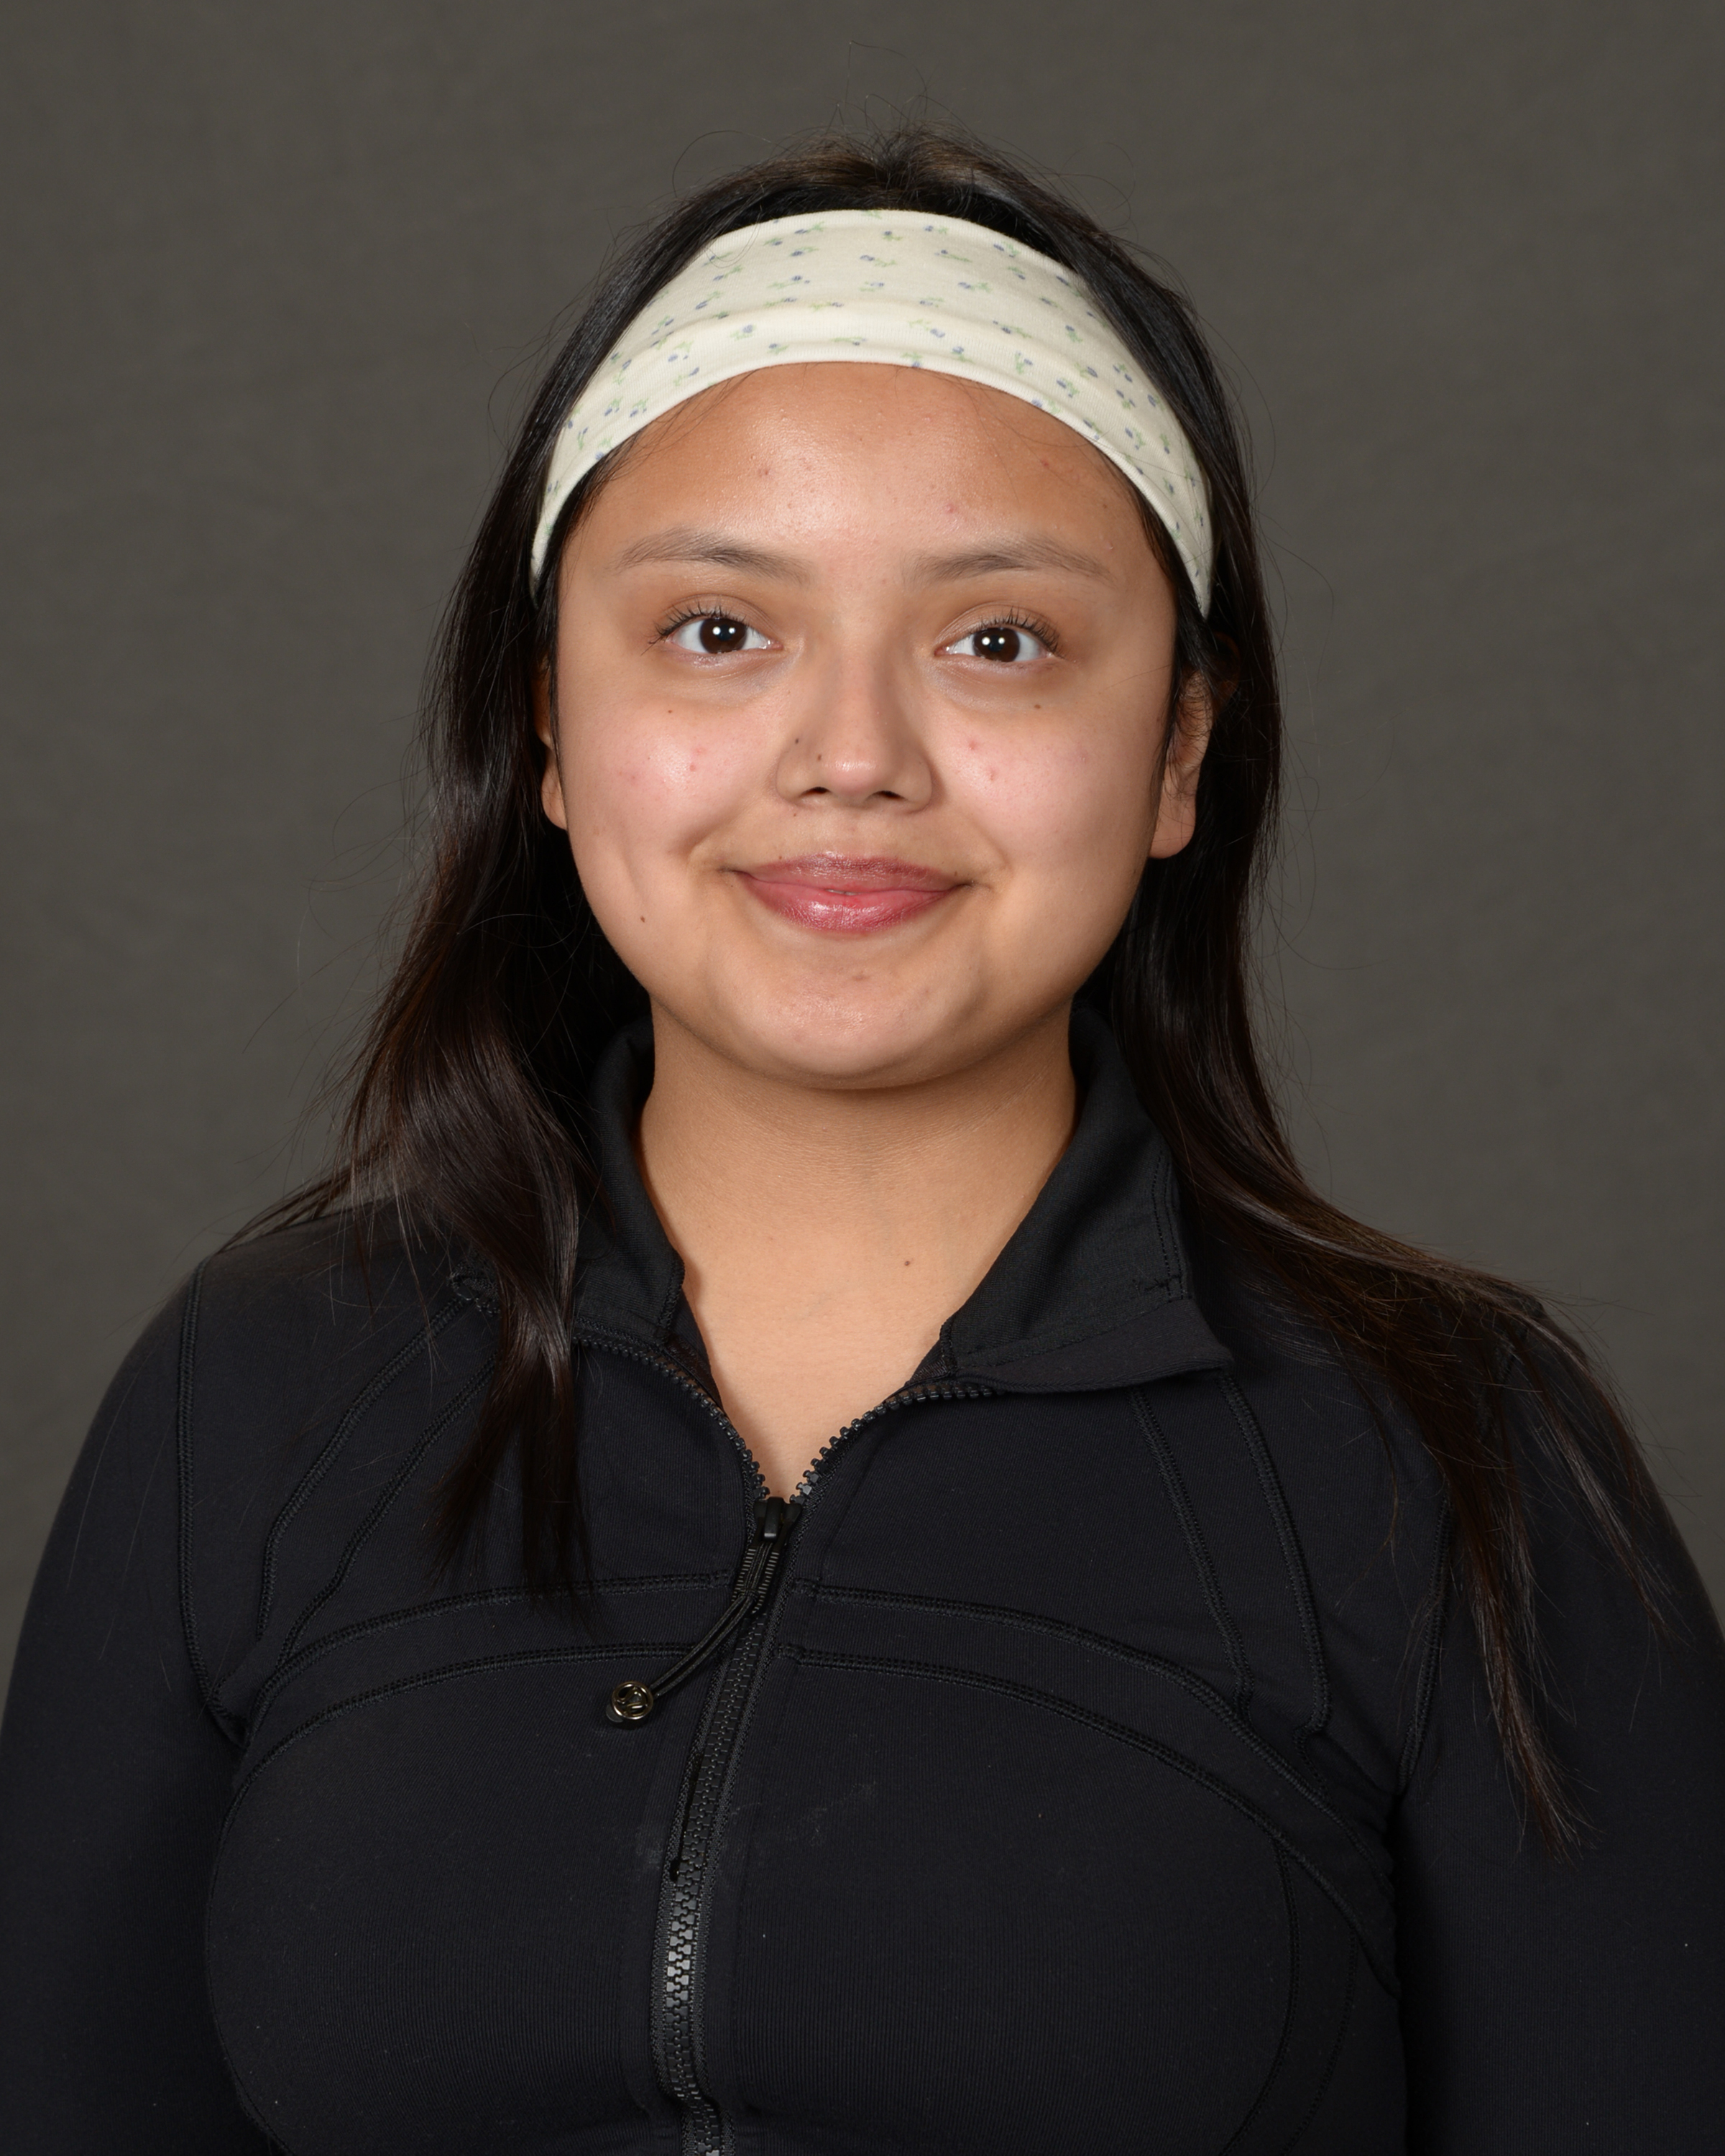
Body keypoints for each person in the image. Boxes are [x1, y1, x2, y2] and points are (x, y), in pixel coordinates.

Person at [1, 126, 1721, 2156]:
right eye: (718, 631)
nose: (851, 759)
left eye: (998, 641)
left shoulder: (1458, 1461)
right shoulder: (259, 1390)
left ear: (1178, 750)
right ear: (546, 721)